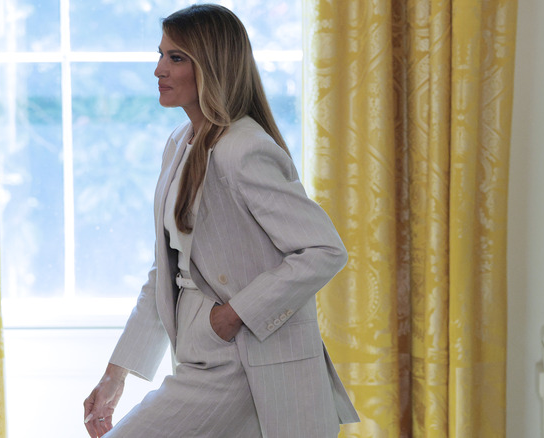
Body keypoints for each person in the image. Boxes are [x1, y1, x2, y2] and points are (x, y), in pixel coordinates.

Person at [83, 4, 359, 437]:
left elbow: (324, 250)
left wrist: (234, 315)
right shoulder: (179, 143)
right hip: (201, 349)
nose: (158, 69)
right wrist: (115, 374)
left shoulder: (243, 149)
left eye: (176, 58)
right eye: (160, 55)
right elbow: (166, 271)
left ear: (212, 66)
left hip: (244, 357)